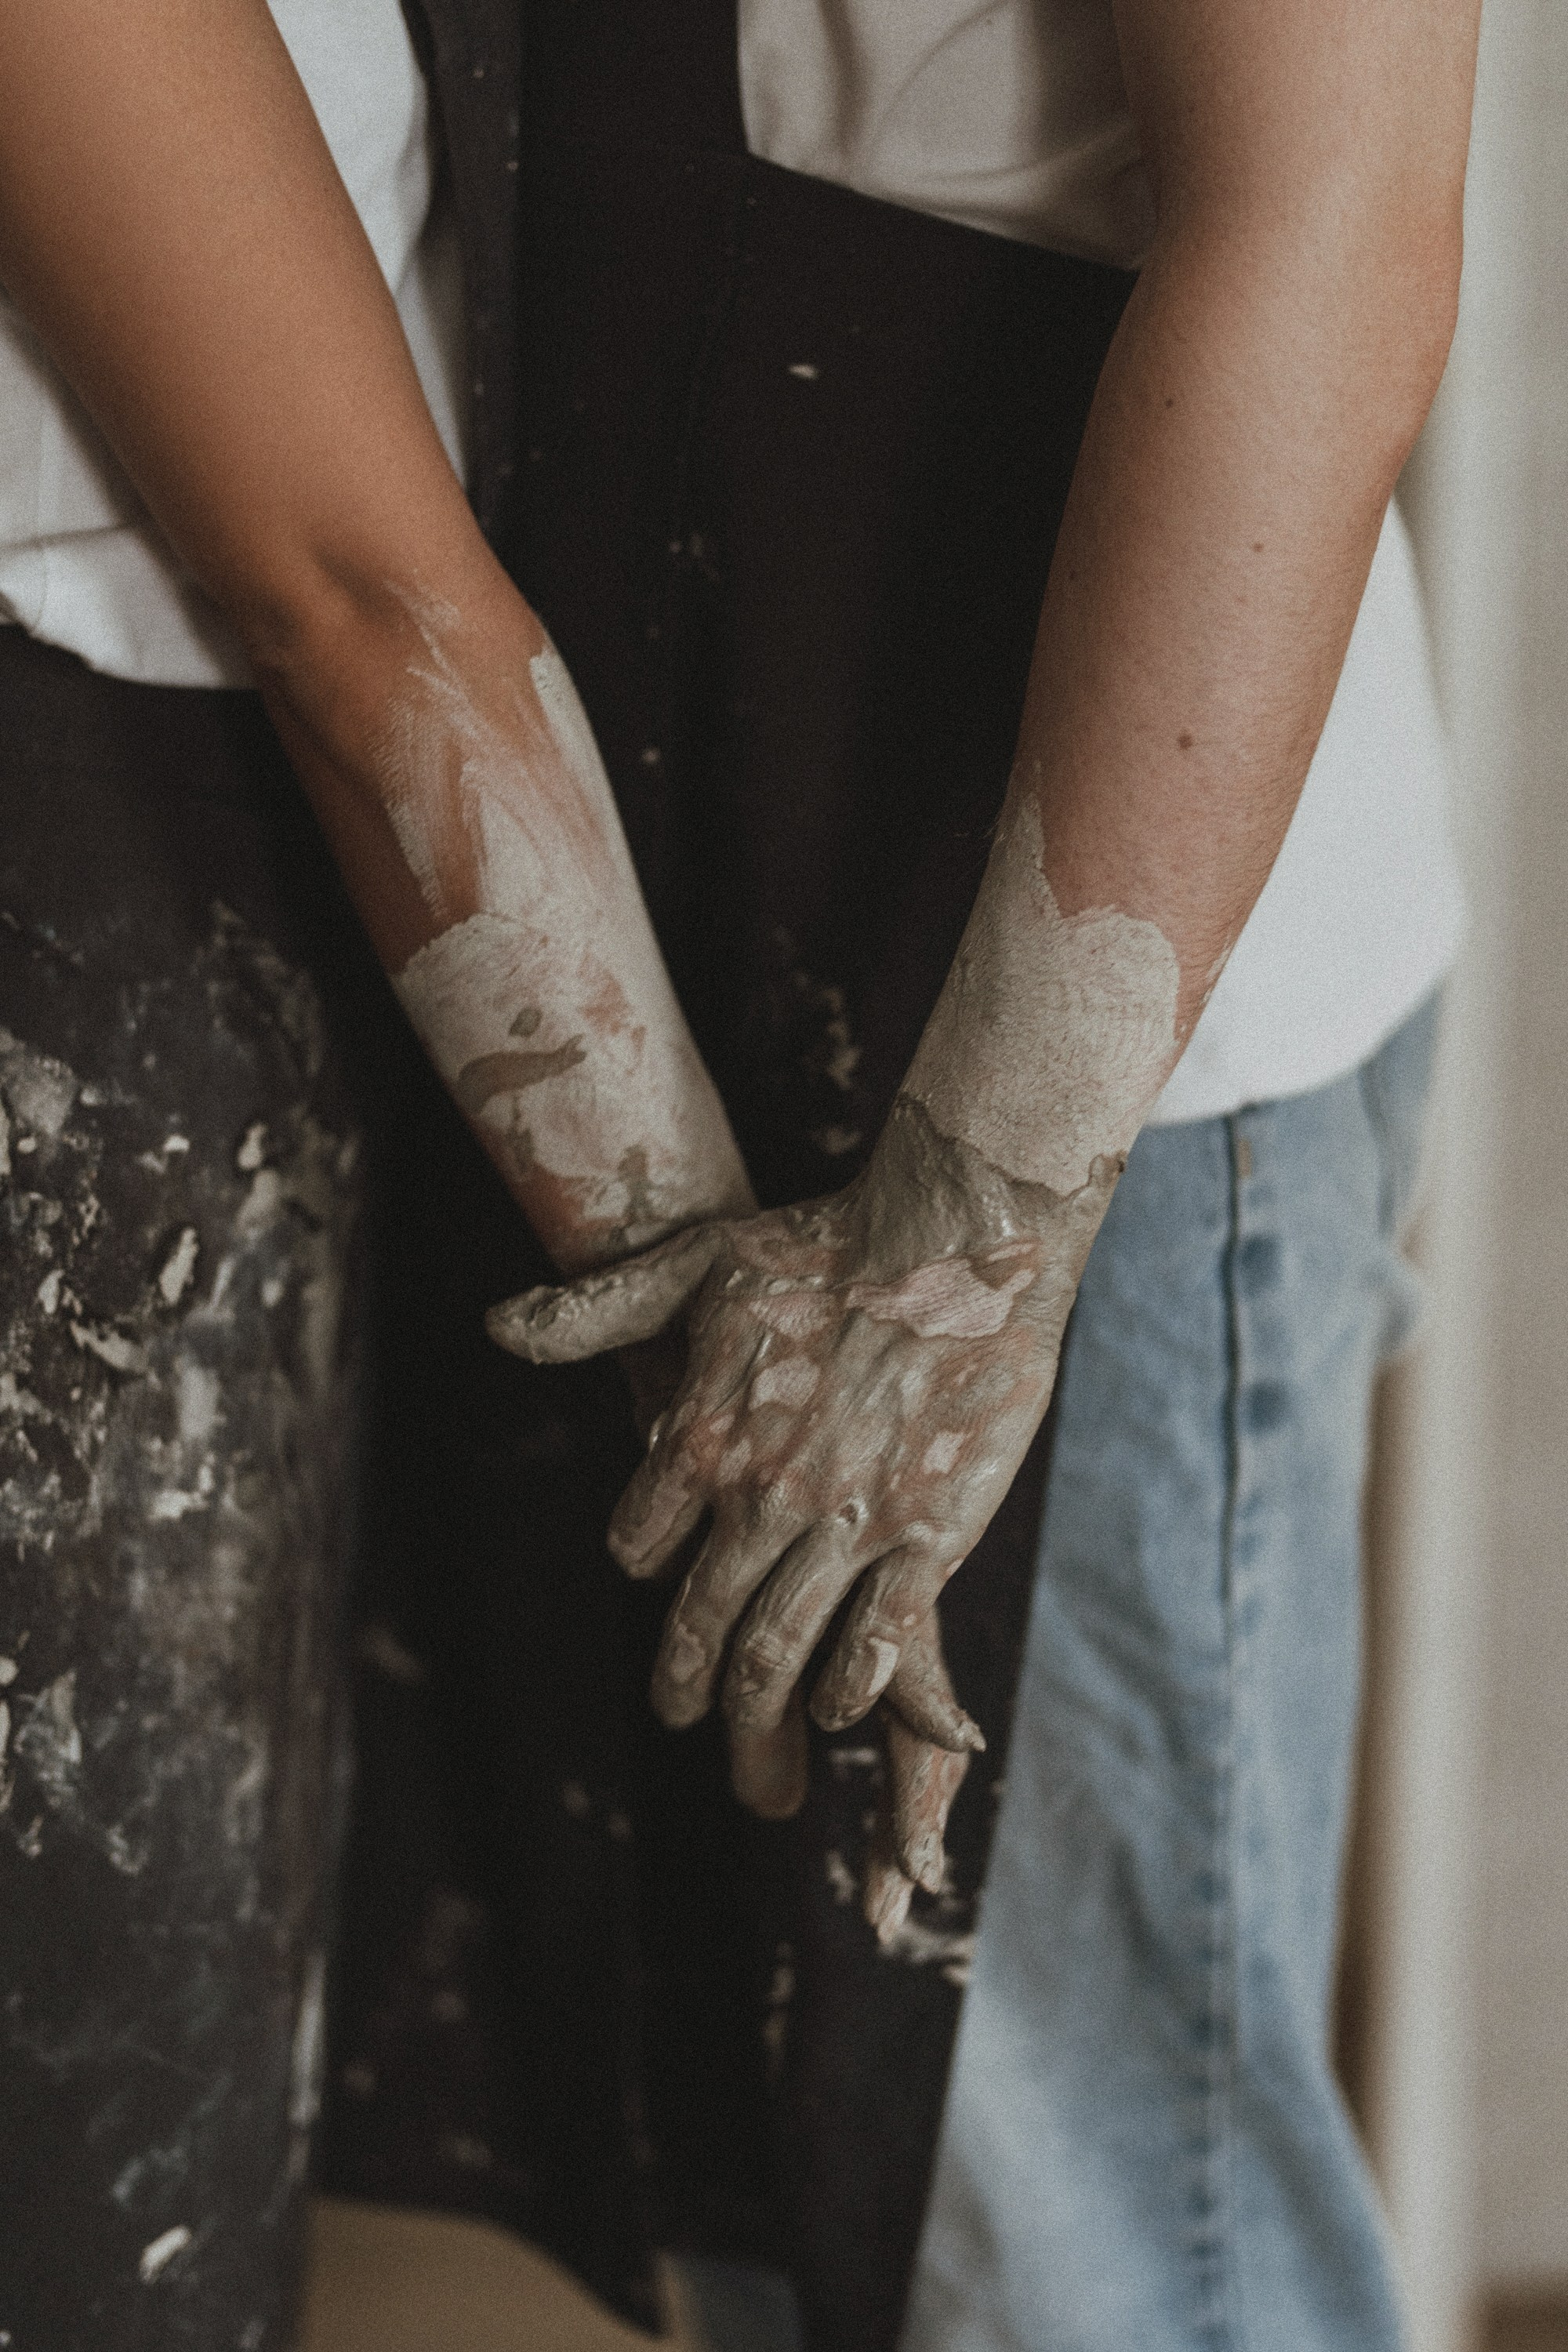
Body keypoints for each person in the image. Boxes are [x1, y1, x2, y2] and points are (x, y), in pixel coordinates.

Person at [0, 8, 1478, 2352]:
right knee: (799, 2198)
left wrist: (964, 1251)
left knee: (1083, 2239)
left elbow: (1336, 229)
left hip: (1092, 984)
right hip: (637, 896)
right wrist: (709, 1266)